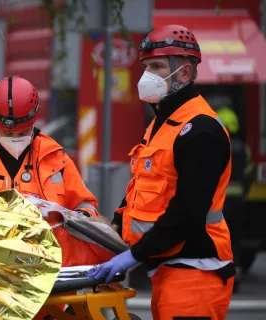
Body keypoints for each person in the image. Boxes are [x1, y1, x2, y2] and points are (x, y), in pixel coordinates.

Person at [88, 25, 235, 319]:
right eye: (145, 67)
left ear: (184, 73)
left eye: (156, 66)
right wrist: (113, 228)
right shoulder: (162, 123)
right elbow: (142, 189)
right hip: (170, 272)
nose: (146, 76)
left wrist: (134, 256)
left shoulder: (200, 129)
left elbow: (187, 212)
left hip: (196, 274)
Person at [0, 76, 114, 267]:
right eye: (8, 133)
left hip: (51, 275)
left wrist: (73, 218)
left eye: (23, 132)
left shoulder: (57, 161)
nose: (15, 138)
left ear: (33, 123)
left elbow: (87, 208)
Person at [216, 106, 255, 292]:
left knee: (218, 239)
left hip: (220, 202)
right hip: (238, 202)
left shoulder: (217, 145)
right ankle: (236, 276)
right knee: (235, 240)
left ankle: (221, 275)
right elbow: (249, 174)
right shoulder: (244, 148)